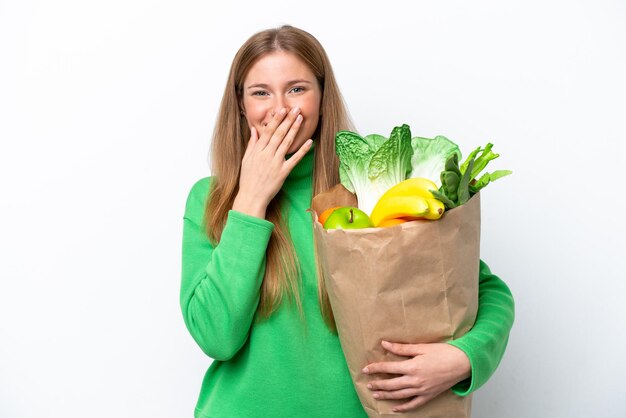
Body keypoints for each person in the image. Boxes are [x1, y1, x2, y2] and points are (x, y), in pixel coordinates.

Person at [180, 25, 515, 417]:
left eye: (297, 89)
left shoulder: (370, 190)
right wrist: (251, 199)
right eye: (260, 92)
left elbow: (483, 291)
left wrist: (463, 359)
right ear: (241, 105)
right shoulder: (211, 200)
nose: (280, 108)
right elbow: (216, 336)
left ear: (323, 97)